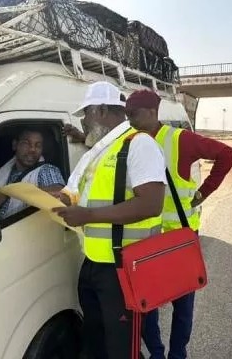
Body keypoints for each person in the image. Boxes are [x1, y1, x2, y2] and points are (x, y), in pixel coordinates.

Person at [53, 81, 167, 359]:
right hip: (94, 263)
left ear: (101, 109)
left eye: (86, 114)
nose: (83, 120)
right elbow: (74, 191)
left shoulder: (139, 144)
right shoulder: (97, 150)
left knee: (121, 348)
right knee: (96, 340)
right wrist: (61, 199)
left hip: (123, 268)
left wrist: (89, 215)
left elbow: (152, 203)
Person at [125, 89, 232, 359]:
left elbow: (227, 154)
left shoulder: (180, 140)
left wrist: (204, 192)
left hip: (178, 240)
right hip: (145, 239)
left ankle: (177, 354)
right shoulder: (129, 139)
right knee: (145, 304)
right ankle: (157, 353)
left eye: (134, 115)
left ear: (153, 112)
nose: (130, 121)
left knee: (182, 304)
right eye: (127, 115)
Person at [0, 127, 65, 219]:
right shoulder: (1, 172)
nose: (32, 150)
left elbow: (59, 193)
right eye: (26, 143)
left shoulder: (46, 170)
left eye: (38, 145)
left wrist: (10, 191)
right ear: (15, 145)